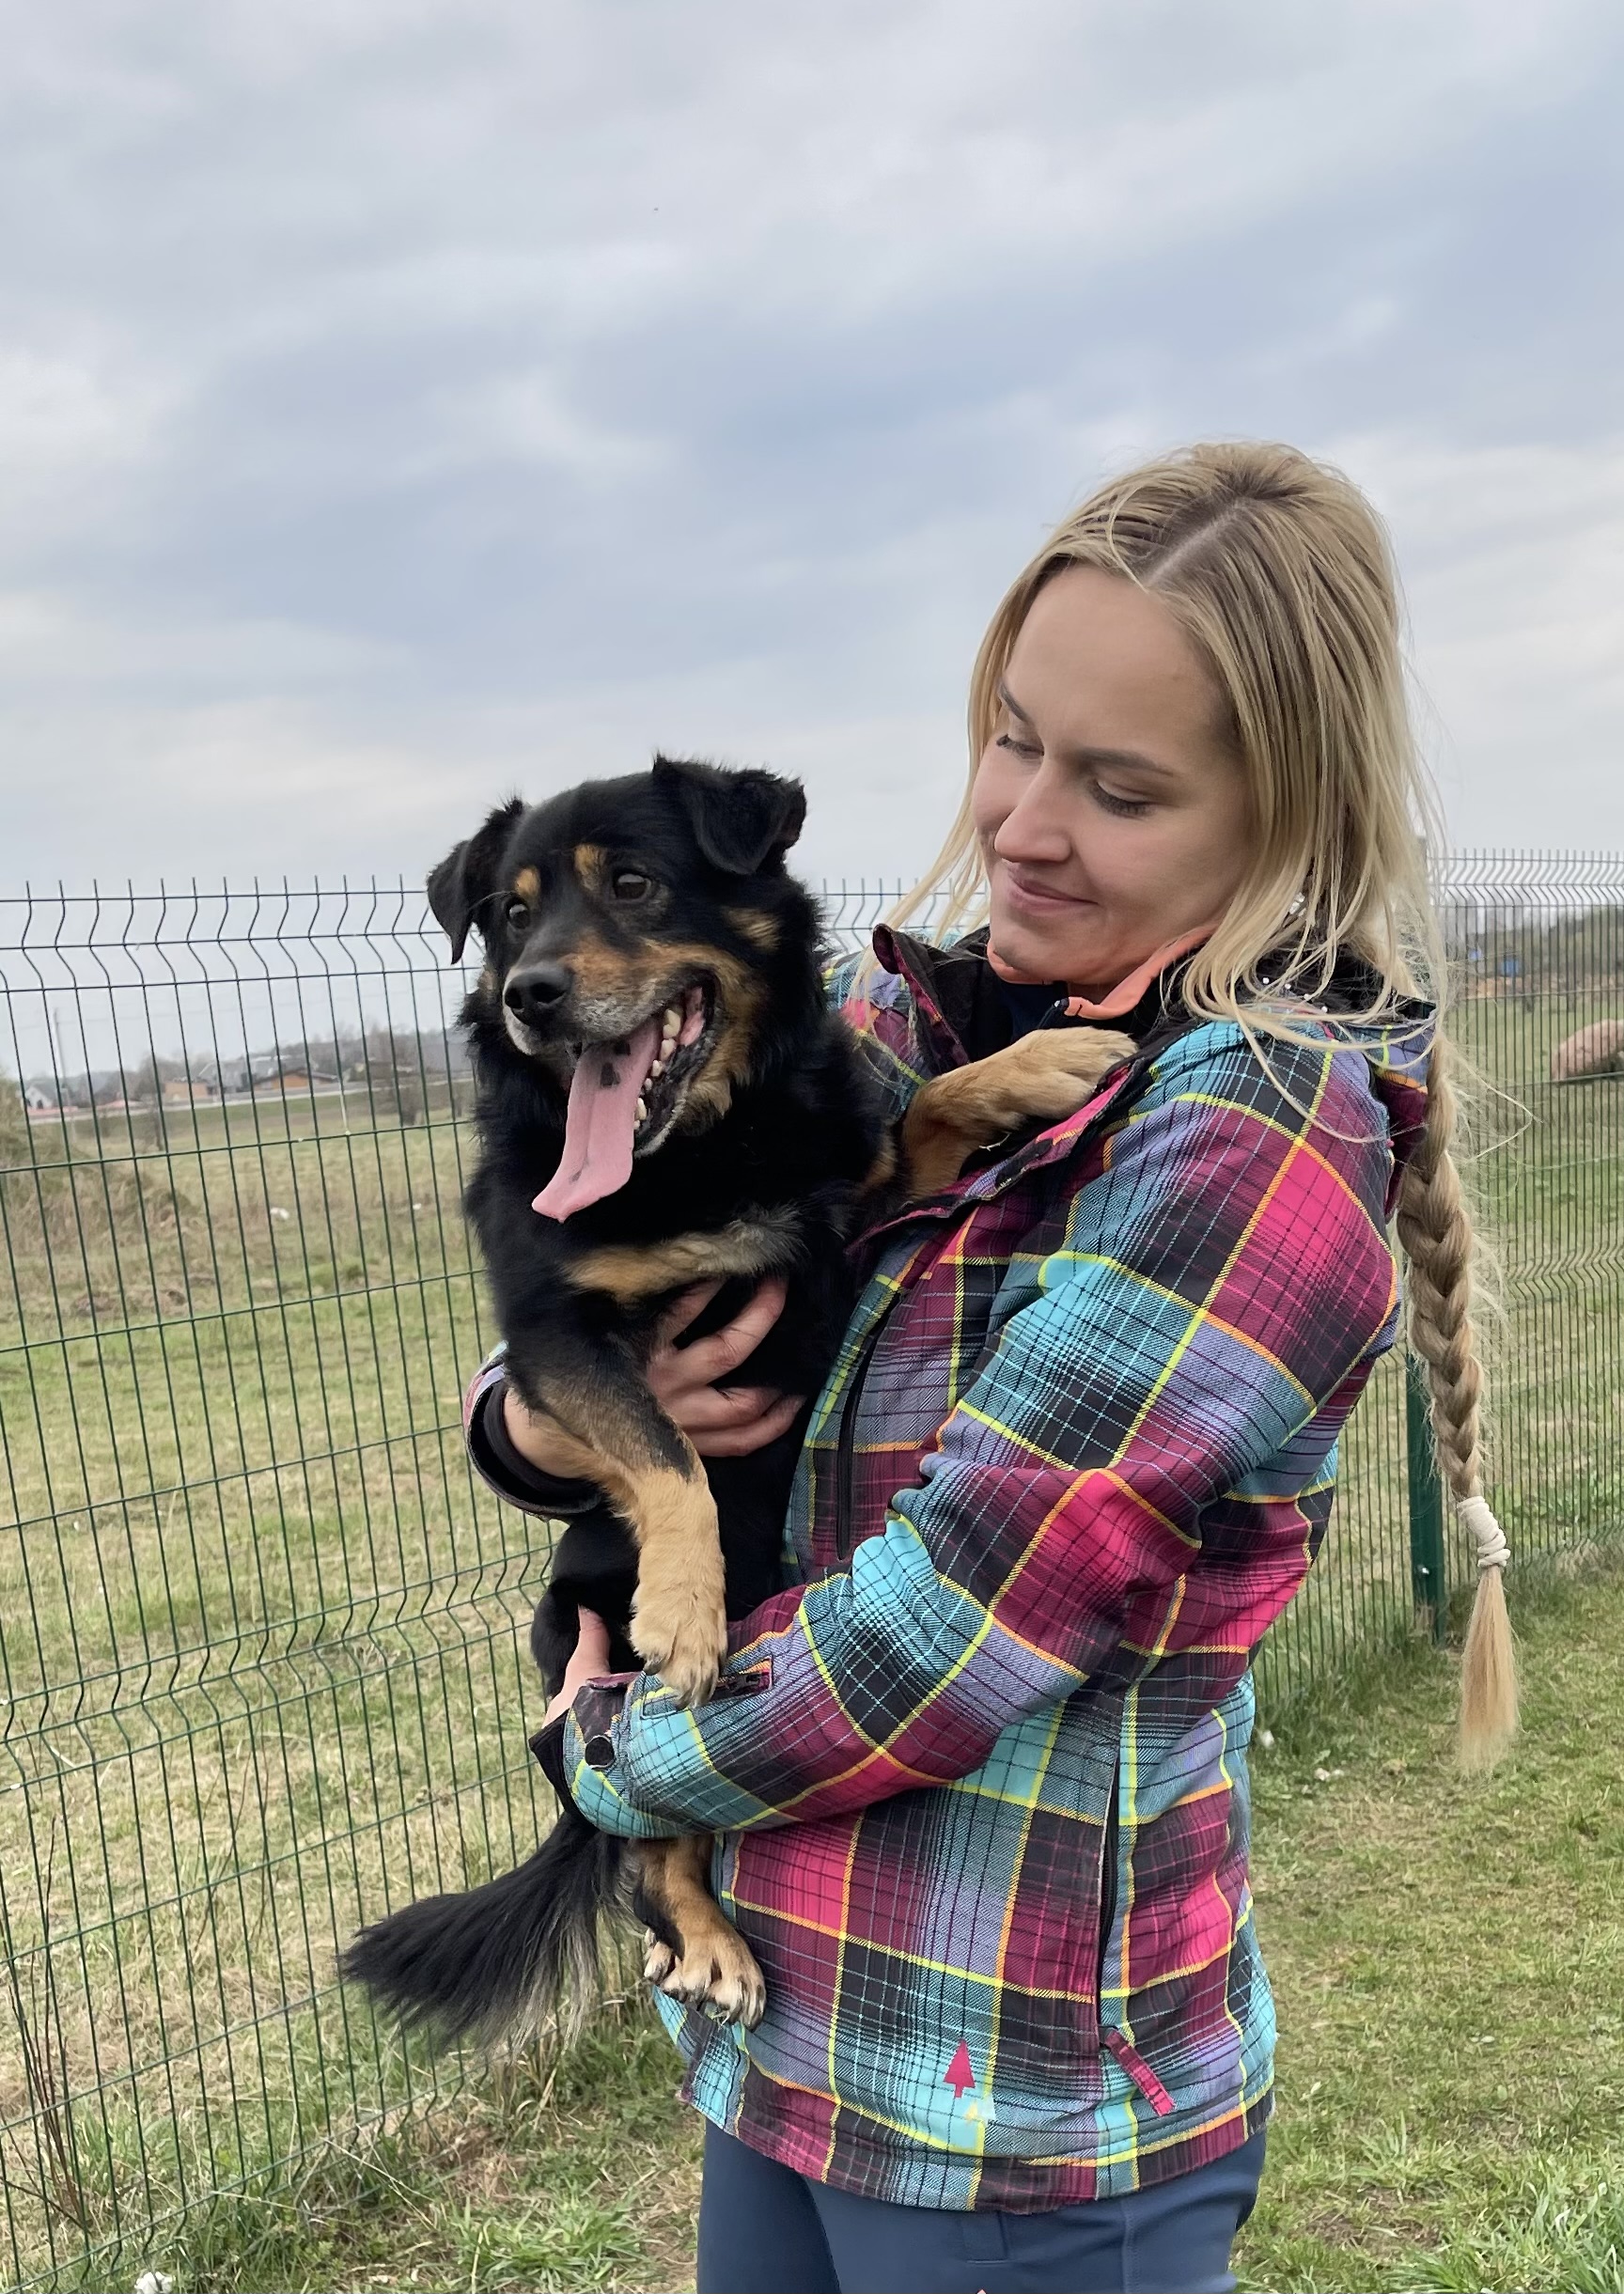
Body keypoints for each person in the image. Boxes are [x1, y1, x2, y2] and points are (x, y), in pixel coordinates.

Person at [461, 442, 1516, 2294]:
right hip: (786, 2040)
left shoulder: (1254, 1138)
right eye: (1013, 738)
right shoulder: (903, 1013)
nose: (1024, 820)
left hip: (1011, 2105)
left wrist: (603, 1750)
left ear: (1281, 815)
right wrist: (534, 1433)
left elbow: (940, 1629)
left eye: (1120, 786)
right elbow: (577, 1318)